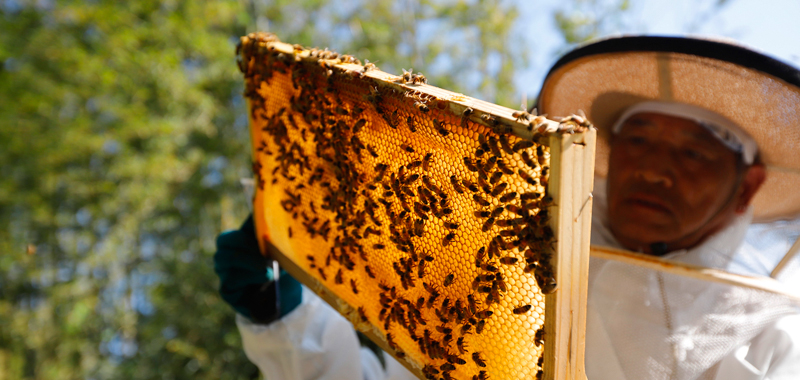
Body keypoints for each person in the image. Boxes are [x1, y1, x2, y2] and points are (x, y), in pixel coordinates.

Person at [215, 36, 800, 380]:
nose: (652, 169)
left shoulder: (773, 340)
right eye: (638, 140)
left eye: (694, 152)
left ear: (746, 187)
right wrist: (284, 321)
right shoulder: (500, 271)